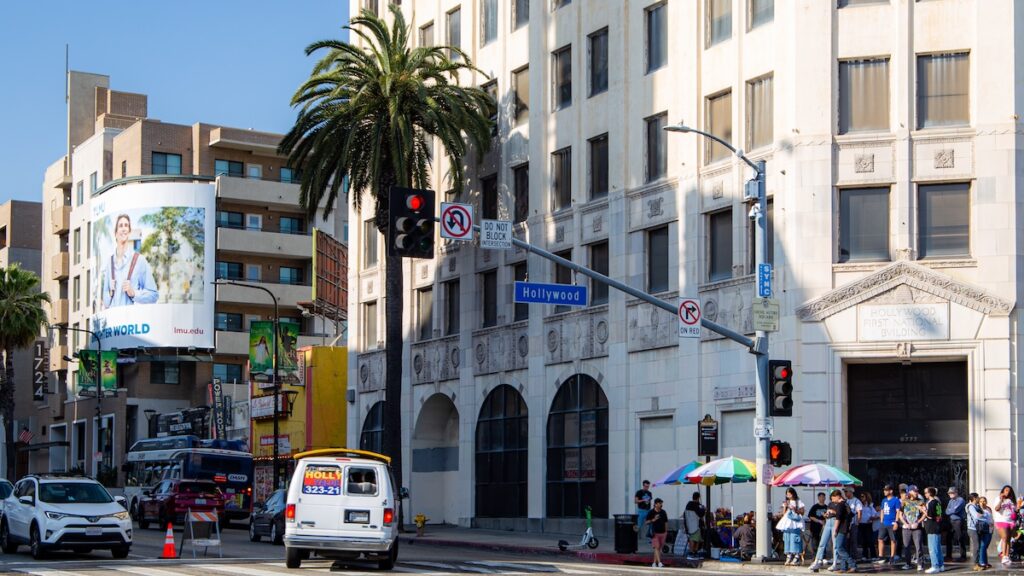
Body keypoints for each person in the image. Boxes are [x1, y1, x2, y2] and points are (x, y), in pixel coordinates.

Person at [101, 214, 159, 308]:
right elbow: (106, 303)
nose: (124, 228)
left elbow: (154, 295)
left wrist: (134, 293)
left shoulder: (139, 260)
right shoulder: (109, 263)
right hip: (114, 321)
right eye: (120, 226)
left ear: (129, 232)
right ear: (115, 233)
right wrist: (111, 292)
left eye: (126, 225)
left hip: (132, 320)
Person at [898, 485, 925, 572]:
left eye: (917, 491)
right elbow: (900, 515)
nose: (916, 492)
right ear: (909, 492)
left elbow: (925, 513)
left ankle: (920, 563)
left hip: (917, 527)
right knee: (906, 546)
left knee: (918, 546)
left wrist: (918, 522)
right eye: (915, 491)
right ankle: (907, 563)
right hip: (906, 527)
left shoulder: (920, 501)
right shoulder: (904, 502)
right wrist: (905, 523)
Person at [776, 487, 806, 566]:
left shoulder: (798, 501)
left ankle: (796, 556)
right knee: (787, 539)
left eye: (789, 494)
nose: (788, 495)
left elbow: (802, 512)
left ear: (793, 493)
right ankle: (789, 556)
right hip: (787, 522)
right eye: (787, 494)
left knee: (795, 539)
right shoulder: (786, 502)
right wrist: (785, 506)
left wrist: (794, 509)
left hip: (795, 522)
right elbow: (784, 513)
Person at [829, 489, 856, 573]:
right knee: (843, 548)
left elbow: (838, 518)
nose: (833, 501)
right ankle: (843, 567)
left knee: (839, 548)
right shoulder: (845, 503)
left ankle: (852, 564)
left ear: (837, 497)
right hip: (846, 528)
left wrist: (835, 529)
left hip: (841, 528)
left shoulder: (840, 505)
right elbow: (850, 515)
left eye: (833, 499)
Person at [877, 484, 902, 566]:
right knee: (880, 539)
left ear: (891, 491)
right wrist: (881, 520)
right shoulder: (884, 500)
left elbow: (898, 511)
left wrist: (896, 522)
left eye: (886, 490)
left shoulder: (896, 500)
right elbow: (882, 510)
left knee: (893, 540)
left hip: (892, 522)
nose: (884, 491)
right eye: (884, 490)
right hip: (884, 522)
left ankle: (892, 557)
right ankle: (881, 556)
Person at [968, 495, 994, 571]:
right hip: (982, 529)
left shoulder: (988, 509)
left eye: (984, 501)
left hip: (989, 529)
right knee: (982, 546)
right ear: (978, 502)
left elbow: (991, 519)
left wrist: (992, 526)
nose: (982, 503)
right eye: (981, 501)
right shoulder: (977, 509)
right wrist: (984, 516)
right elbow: (977, 517)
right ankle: (981, 562)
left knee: (985, 546)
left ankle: (985, 562)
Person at [923, 487, 945, 573]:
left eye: (926, 493)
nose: (925, 494)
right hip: (937, 527)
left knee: (933, 548)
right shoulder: (937, 502)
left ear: (930, 493)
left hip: (932, 527)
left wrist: (922, 510)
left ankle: (935, 566)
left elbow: (930, 516)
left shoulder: (932, 503)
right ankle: (941, 565)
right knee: (938, 548)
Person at [645, 498, 669, 568]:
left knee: (658, 549)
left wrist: (666, 531)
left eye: (661, 503)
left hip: (662, 533)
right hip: (654, 533)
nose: (661, 504)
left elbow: (666, 522)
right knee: (657, 547)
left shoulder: (663, 512)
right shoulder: (651, 512)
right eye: (659, 503)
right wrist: (653, 519)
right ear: (655, 504)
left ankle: (654, 563)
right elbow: (646, 522)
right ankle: (659, 563)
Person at [995, 485, 1016, 566]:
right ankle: (1003, 555)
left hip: (1010, 521)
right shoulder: (998, 498)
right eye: (1006, 490)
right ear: (1003, 491)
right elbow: (996, 509)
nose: (1008, 492)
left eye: (1009, 490)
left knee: (1008, 539)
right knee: (1004, 537)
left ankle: (1007, 556)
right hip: (1001, 520)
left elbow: (1014, 512)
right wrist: (1001, 500)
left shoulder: (1011, 500)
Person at [945, 487, 967, 562]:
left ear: (956, 493)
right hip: (951, 521)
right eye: (949, 493)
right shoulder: (950, 501)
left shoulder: (961, 500)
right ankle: (948, 555)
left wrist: (951, 510)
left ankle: (963, 556)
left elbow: (955, 510)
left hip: (958, 521)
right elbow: (946, 511)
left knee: (960, 538)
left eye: (952, 493)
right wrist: (951, 510)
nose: (950, 494)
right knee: (948, 538)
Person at [683, 491, 706, 558]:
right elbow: (700, 514)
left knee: (695, 539)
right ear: (698, 498)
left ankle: (693, 552)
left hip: (689, 525)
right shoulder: (696, 505)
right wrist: (704, 509)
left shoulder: (688, 504)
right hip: (695, 526)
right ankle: (692, 553)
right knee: (694, 539)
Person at [844, 487, 864, 561]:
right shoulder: (845, 501)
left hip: (853, 523)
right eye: (845, 492)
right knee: (846, 540)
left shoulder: (856, 501)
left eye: (846, 492)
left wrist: (858, 522)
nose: (845, 493)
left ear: (851, 492)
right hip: (846, 524)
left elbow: (859, 512)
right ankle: (847, 555)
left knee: (853, 540)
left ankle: (854, 556)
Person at [808, 492, 829, 559]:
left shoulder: (827, 507)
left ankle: (823, 556)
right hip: (815, 527)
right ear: (818, 498)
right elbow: (810, 516)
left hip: (824, 527)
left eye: (823, 497)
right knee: (815, 542)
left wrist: (825, 520)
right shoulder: (815, 507)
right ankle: (815, 556)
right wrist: (819, 521)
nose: (822, 498)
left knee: (823, 542)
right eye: (820, 497)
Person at [859, 491, 876, 560]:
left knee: (870, 540)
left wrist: (871, 518)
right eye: (861, 496)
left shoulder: (870, 505)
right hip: (861, 523)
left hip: (868, 524)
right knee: (863, 540)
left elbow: (874, 514)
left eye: (863, 496)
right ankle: (864, 555)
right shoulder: (859, 505)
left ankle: (873, 555)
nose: (861, 498)